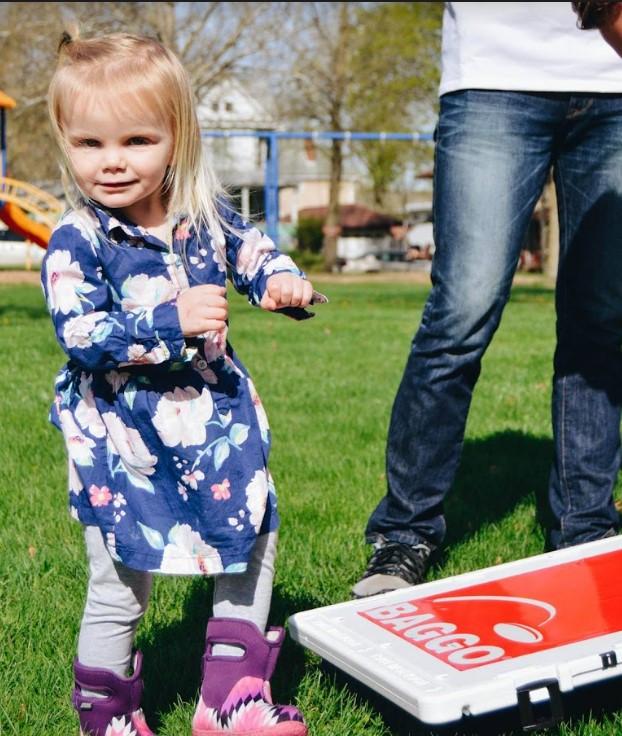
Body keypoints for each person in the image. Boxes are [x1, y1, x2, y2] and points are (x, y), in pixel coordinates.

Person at [41, 27, 317, 736]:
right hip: (121, 442)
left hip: (216, 431)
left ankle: (231, 700)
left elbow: (253, 251)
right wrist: (170, 318)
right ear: (65, 141)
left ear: (178, 136)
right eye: (89, 144)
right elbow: (81, 333)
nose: (110, 163)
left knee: (250, 538)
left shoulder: (203, 217)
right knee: (118, 583)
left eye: (136, 141)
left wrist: (281, 279)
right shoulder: (79, 238)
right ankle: (107, 719)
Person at [352, 1, 622, 599]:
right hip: (494, 78)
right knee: (461, 314)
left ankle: (587, 528)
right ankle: (405, 530)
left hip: (615, 86)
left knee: (601, 319)